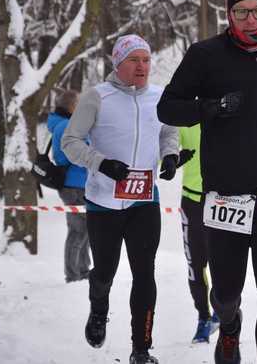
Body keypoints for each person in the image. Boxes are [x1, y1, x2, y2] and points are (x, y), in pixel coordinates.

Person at [158, 0, 257, 364]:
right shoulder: (205, 55)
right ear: (229, 15)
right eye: (242, 12)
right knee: (225, 292)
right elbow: (168, 109)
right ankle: (229, 326)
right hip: (225, 196)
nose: (250, 19)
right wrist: (211, 107)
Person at [61, 34, 179, 364]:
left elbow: (168, 133)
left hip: (145, 202)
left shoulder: (159, 96)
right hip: (104, 203)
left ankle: (141, 348)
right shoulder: (97, 97)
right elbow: (70, 142)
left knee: (145, 274)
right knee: (105, 272)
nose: (142, 66)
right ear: (118, 63)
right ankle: (99, 310)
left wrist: (169, 156)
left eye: (146, 60)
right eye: (134, 60)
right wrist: (101, 163)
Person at [178, 124, 220, 343]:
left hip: (221, 200)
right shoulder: (187, 119)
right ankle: (203, 317)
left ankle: (224, 312)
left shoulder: (228, 114)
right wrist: (172, 158)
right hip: (192, 201)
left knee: (222, 263)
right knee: (195, 265)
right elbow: (164, 147)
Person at [47, 89, 91, 283]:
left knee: (85, 229)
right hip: (74, 184)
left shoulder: (65, 124)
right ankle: (73, 274)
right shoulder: (66, 126)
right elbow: (68, 155)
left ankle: (82, 269)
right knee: (78, 230)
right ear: (72, 106)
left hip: (78, 182)